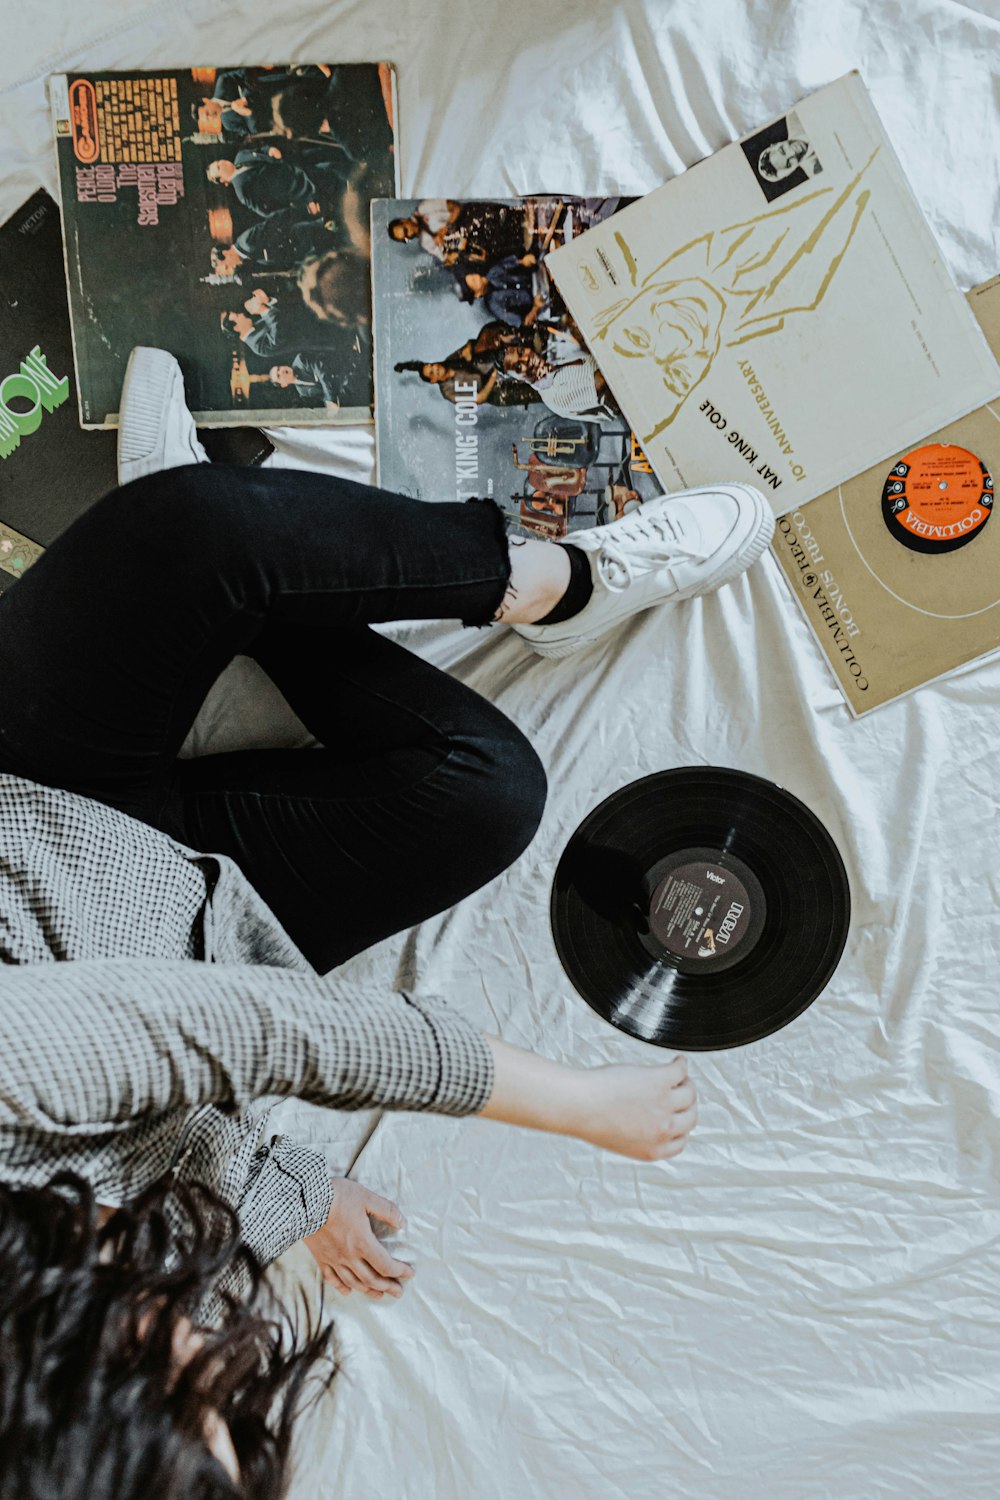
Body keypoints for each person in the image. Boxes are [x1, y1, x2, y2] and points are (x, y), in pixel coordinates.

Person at [0, 346, 772, 1492]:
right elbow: (126, 1152)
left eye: (191, 1376)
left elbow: (241, 1030)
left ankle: (550, 582)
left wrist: (576, 1106)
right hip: (196, 902)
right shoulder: (116, 1344)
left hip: (37, 800)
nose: (229, 1346)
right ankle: (248, 600)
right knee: (487, 792)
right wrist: (279, 1192)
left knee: (195, 531)